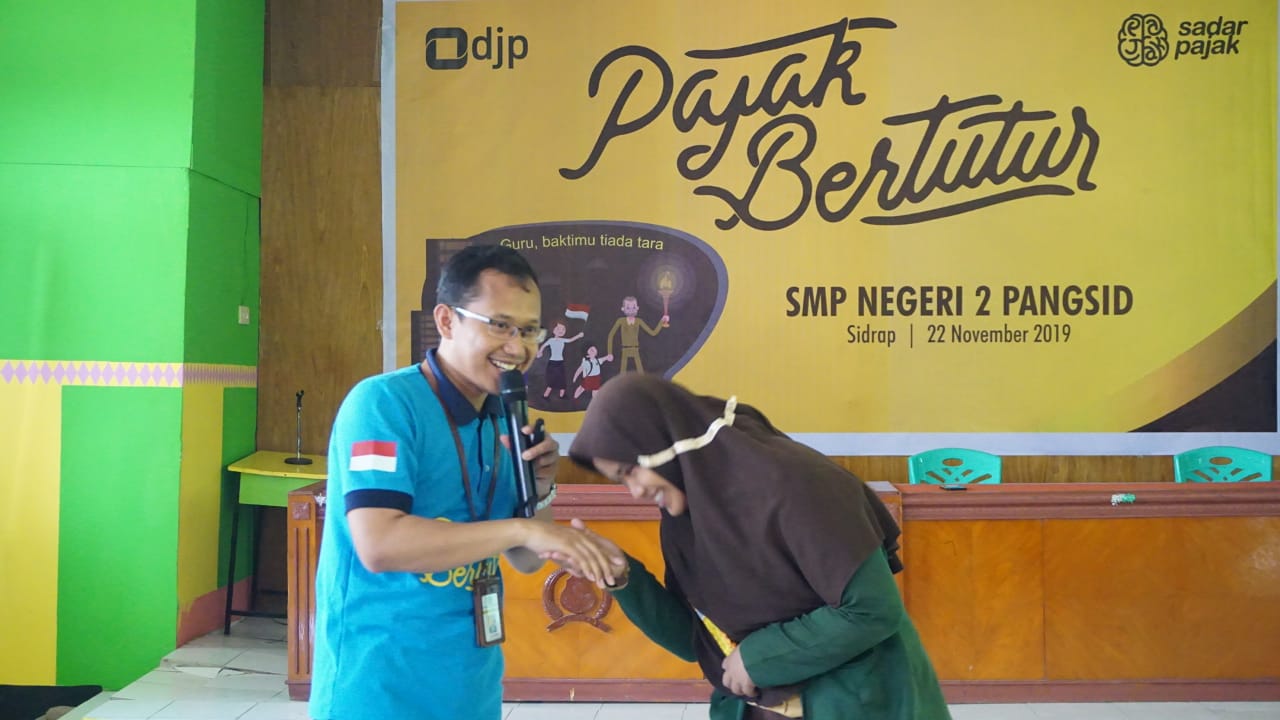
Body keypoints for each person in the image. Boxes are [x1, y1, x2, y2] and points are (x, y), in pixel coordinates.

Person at [309, 245, 625, 720]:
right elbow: (379, 544)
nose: (517, 347)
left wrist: (541, 491)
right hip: (377, 686)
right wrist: (524, 529)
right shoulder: (382, 405)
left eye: (529, 331)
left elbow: (524, 560)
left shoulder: (503, 418)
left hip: (470, 685)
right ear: (446, 321)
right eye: (499, 325)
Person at [567, 374, 952, 720]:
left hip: (859, 701)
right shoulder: (687, 520)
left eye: (631, 471)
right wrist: (623, 577)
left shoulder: (796, 485)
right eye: (621, 481)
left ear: (664, 443)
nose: (634, 492)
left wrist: (756, 658)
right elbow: (698, 640)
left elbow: (871, 610)